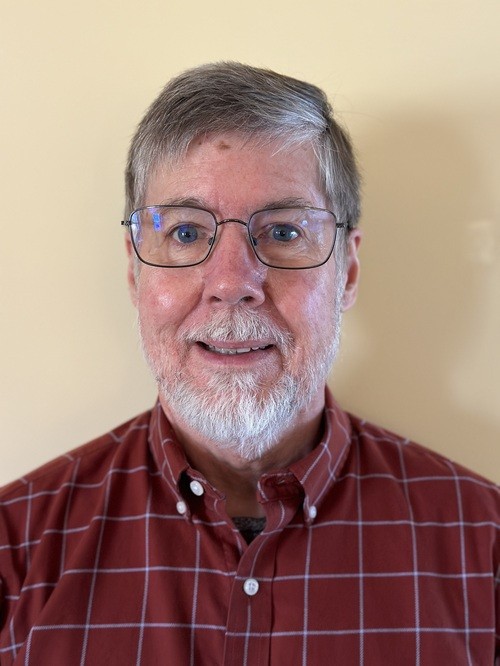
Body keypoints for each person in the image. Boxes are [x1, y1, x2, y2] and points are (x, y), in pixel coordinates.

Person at [0, 62, 498, 665]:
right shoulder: (15, 549)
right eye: (186, 233)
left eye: (283, 232)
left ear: (347, 271)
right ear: (134, 270)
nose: (233, 283)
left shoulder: (484, 547)